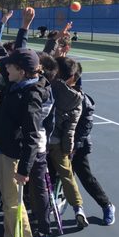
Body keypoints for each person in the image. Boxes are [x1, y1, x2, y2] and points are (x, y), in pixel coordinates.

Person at [0, 46, 46, 237]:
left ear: (21, 71)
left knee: (14, 205)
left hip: (14, 157)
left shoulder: (30, 96)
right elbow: (3, 61)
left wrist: (24, 169)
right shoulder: (17, 82)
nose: (5, 67)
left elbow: (32, 136)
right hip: (4, 151)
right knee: (8, 201)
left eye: (11, 65)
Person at [47, 56, 89, 228]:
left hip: (41, 140)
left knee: (38, 176)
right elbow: (70, 129)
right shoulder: (78, 100)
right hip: (59, 142)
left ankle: (39, 210)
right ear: (72, 77)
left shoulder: (49, 86)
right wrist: (68, 148)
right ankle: (78, 208)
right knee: (67, 175)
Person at [72, 65, 115, 225]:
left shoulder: (82, 99)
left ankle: (107, 205)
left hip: (78, 146)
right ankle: (77, 208)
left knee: (85, 177)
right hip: (59, 144)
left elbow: (86, 126)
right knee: (62, 179)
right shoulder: (58, 93)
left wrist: (75, 145)